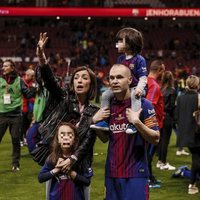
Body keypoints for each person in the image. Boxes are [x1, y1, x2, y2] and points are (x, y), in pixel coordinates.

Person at [36, 32, 99, 200]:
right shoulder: (64, 97)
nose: (79, 80)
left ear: (91, 84)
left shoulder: (94, 111)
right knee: (53, 194)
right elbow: (49, 81)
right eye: (76, 77)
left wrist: (74, 158)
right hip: (57, 157)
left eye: (84, 78)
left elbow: (88, 140)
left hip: (81, 162)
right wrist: (42, 57)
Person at [92, 63, 160, 200]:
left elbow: (156, 138)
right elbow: (105, 139)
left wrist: (137, 122)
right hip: (111, 173)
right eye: (111, 78)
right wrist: (94, 122)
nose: (114, 81)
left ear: (129, 80)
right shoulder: (108, 107)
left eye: (119, 77)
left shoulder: (143, 105)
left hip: (136, 173)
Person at [91, 27, 148, 134]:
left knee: (133, 95)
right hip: (124, 88)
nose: (117, 44)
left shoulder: (139, 59)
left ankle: (134, 123)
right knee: (105, 95)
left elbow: (143, 78)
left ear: (130, 43)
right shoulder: (120, 59)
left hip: (137, 88)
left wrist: (140, 89)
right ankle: (104, 121)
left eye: (120, 41)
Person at [38, 122, 93, 200]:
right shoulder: (52, 158)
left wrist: (72, 173)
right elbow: (40, 178)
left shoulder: (80, 159)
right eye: (62, 134)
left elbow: (87, 181)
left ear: (74, 140)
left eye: (69, 134)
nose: (66, 137)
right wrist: (56, 170)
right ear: (58, 140)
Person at [0, 59, 36, 171]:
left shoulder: (19, 81)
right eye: (3, 66)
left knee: (15, 139)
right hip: (2, 115)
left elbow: (28, 94)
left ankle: (15, 164)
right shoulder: (0, 80)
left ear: (12, 68)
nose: (3, 68)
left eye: (6, 66)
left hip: (16, 116)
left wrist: (35, 88)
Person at [175, 75, 200, 194]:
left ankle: (187, 175)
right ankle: (192, 184)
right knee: (196, 159)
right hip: (196, 134)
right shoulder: (198, 97)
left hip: (185, 133)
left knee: (196, 158)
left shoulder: (180, 97)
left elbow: (176, 116)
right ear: (197, 84)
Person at [145, 60, 165, 187]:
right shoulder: (154, 85)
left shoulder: (145, 82)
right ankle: (147, 180)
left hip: (147, 125)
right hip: (152, 126)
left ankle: (150, 177)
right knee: (148, 155)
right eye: (163, 70)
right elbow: (149, 105)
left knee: (148, 154)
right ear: (159, 71)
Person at [157, 71, 176, 170]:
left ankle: (159, 161)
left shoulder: (160, 89)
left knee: (160, 140)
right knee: (165, 141)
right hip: (167, 117)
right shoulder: (172, 90)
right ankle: (162, 162)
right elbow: (172, 106)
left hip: (159, 116)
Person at [20, 68, 35, 146]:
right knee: (21, 125)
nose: (33, 78)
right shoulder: (21, 82)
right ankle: (21, 140)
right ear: (27, 75)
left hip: (29, 108)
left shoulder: (31, 83)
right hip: (22, 107)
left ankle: (24, 139)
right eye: (32, 76)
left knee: (26, 124)